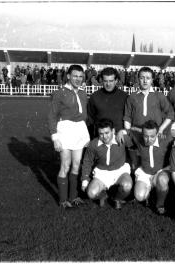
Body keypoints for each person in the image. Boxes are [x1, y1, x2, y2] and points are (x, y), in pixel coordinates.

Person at [47, 64, 90, 208]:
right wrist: (55, 138)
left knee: (76, 165)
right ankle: (63, 200)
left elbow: (84, 115)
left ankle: (74, 196)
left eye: (80, 76)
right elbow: (52, 116)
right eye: (75, 76)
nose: (78, 79)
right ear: (69, 76)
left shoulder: (83, 93)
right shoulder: (60, 93)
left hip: (80, 130)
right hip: (65, 130)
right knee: (65, 165)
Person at [121, 120, 174, 215]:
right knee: (139, 196)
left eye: (152, 136)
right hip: (145, 173)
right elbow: (129, 130)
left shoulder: (165, 140)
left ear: (157, 134)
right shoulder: (138, 139)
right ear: (142, 134)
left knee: (162, 180)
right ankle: (150, 194)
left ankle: (160, 204)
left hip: (160, 172)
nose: (148, 139)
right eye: (146, 136)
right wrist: (121, 132)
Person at [80, 119, 133, 210]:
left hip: (120, 171)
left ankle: (117, 199)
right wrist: (85, 180)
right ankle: (103, 195)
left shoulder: (122, 139)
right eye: (101, 133)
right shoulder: (94, 144)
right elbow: (87, 161)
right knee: (91, 193)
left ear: (113, 131)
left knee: (127, 185)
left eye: (107, 133)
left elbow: (134, 141)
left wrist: (123, 131)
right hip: (102, 173)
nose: (104, 136)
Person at [87, 67, 128, 138]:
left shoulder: (125, 97)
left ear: (116, 81)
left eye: (111, 81)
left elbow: (129, 119)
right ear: (102, 81)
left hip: (119, 138)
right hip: (100, 138)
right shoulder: (94, 97)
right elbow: (90, 120)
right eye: (105, 81)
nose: (108, 84)